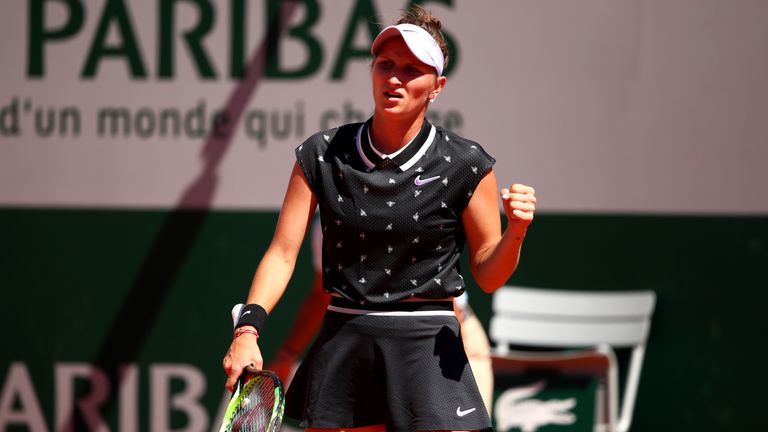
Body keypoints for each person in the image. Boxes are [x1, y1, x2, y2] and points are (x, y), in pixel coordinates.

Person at [223, 6, 537, 431]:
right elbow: (282, 254)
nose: (395, 78)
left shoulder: (467, 164)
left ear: (437, 87)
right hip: (346, 341)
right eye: (386, 65)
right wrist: (248, 331)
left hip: (429, 345)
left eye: (412, 70)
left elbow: (489, 274)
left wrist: (515, 233)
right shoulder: (321, 154)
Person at [266, 218, 495, 416]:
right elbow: (322, 296)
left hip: (449, 338)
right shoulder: (327, 224)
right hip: (377, 347)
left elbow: (438, 299)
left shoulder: (412, 208)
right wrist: (288, 354)